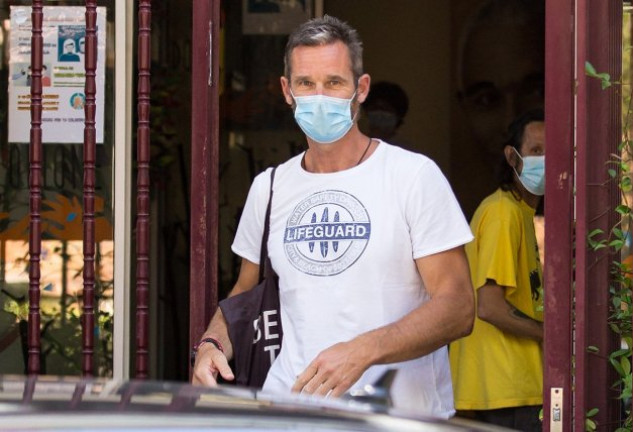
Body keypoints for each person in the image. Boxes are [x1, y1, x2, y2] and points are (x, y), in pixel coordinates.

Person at [192, 15, 475, 418]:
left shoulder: (412, 176)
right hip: (292, 412)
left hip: (398, 417)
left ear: (360, 89)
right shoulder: (270, 188)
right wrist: (211, 343)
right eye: (306, 84)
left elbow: (458, 307)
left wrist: (363, 351)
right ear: (287, 91)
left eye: (334, 82)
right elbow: (244, 294)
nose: (319, 96)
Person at [449, 109, 545, 431]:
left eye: (552, 151)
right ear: (512, 156)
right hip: (507, 388)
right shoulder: (503, 214)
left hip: (512, 387)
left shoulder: (518, 213)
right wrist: (553, 335)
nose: (545, 160)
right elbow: (489, 306)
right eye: (535, 151)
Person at [452, 0, 545, 219]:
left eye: (537, 92)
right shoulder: (500, 215)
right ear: (463, 107)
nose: (509, 120)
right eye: (486, 100)